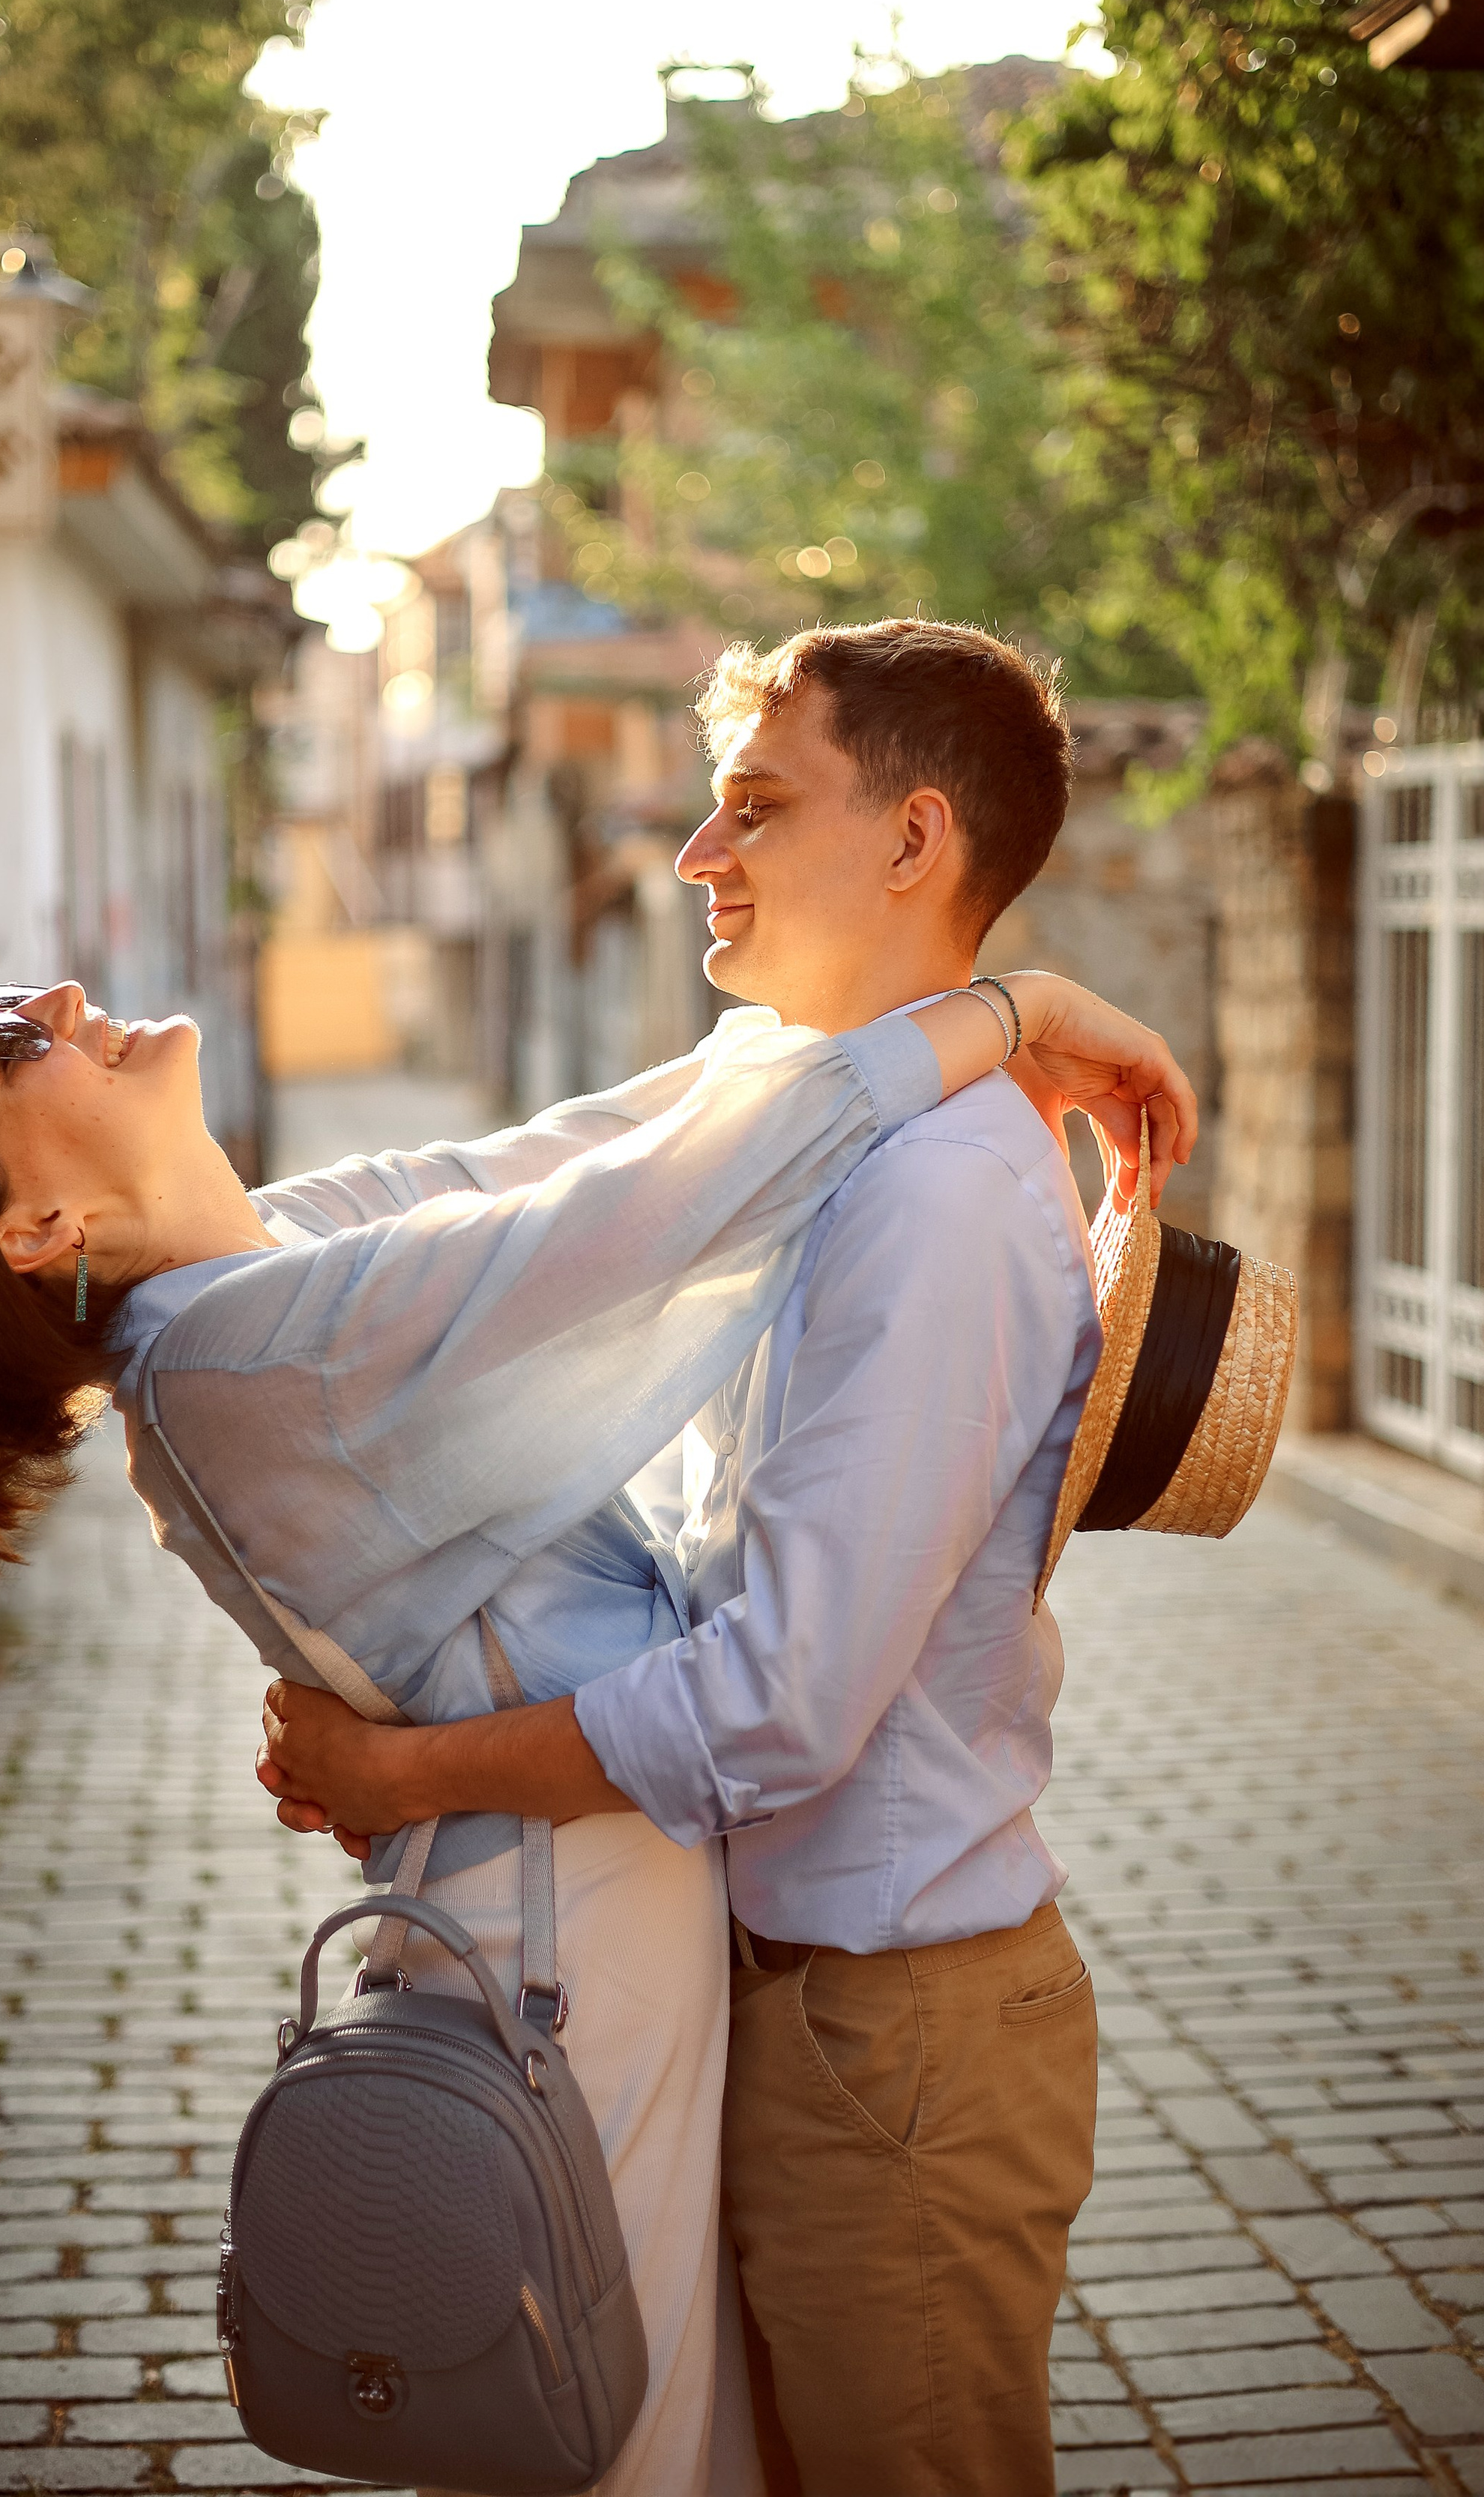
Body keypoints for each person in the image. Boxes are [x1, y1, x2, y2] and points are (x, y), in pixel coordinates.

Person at [0, 649, 1191, 2497]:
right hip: (579, 1973)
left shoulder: (257, 1281)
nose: (43, 997)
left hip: (684, 1955)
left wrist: (973, 1016)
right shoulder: (246, 1361)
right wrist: (1004, 1005)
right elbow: (645, 1208)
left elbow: (580, 1156)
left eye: (755, 807)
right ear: (36, 1226)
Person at [257, 617, 1142, 2497]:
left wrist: (408, 1770)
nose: (692, 857)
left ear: (911, 844)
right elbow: (493, 1200)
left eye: (753, 806)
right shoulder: (825, 1131)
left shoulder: (936, 1204)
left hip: (889, 2041)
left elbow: (781, 1705)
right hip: (813, 2015)